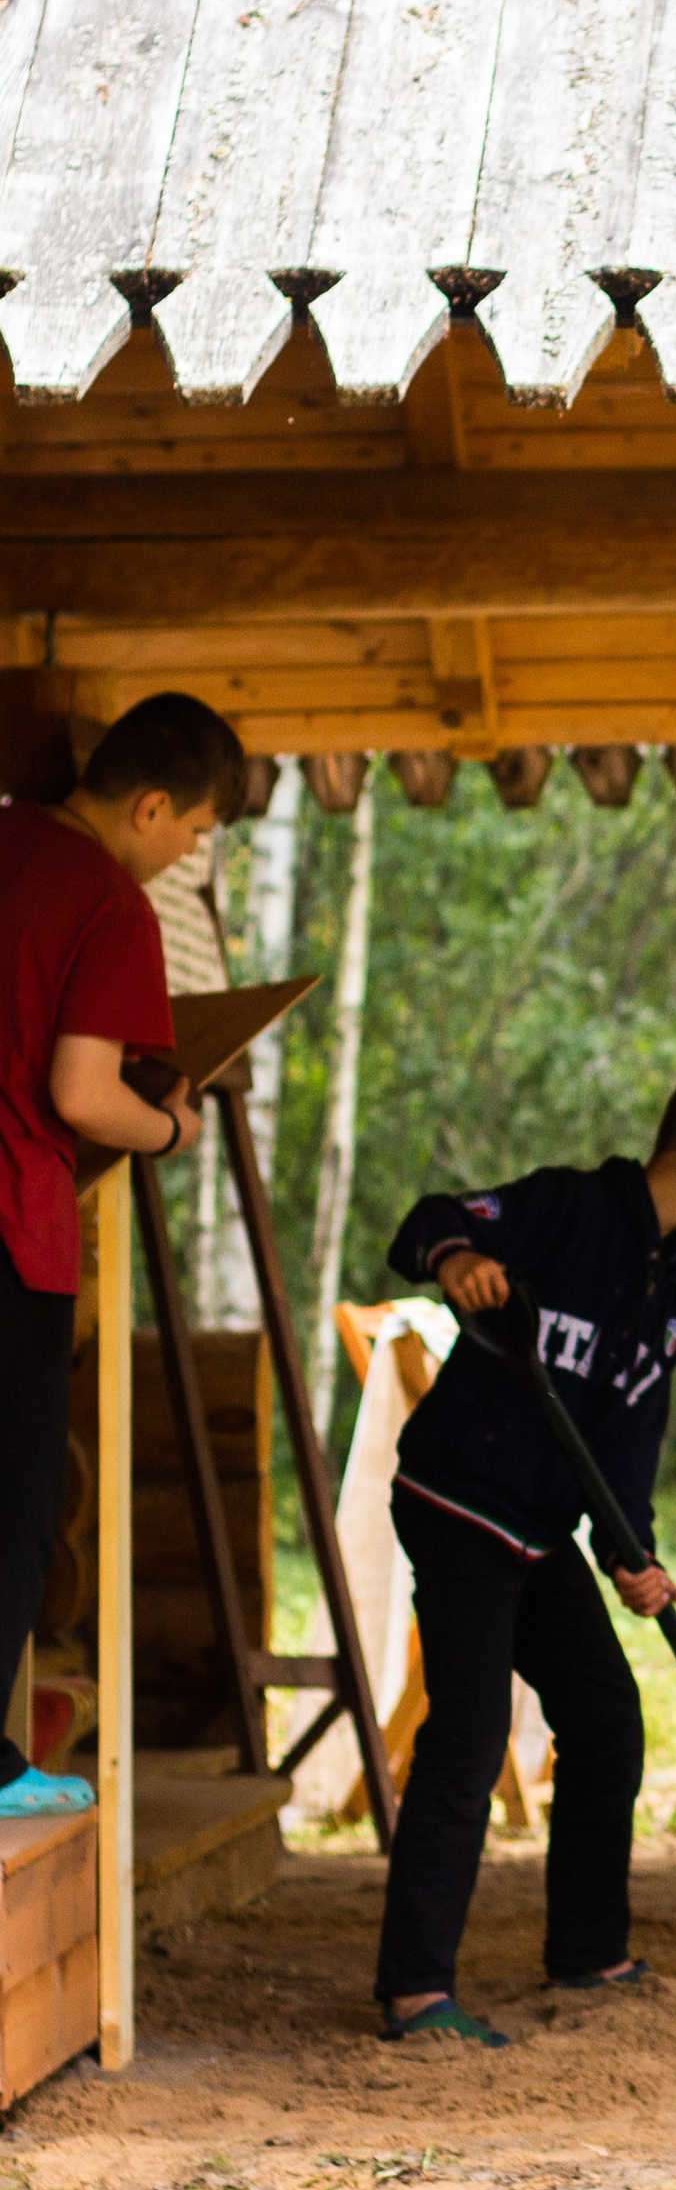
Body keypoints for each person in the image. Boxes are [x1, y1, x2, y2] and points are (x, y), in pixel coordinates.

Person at [371, 1062, 676, 2046]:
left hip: (537, 1527)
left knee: (607, 1715)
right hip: (457, 1502)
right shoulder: (565, 1210)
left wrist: (629, 1550)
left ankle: (587, 1954)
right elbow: (430, 1216)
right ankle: (413, 1989)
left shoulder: (675, 1296)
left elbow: (624, 1440)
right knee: (471, 1734)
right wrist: (453, 1262)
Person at [1, 694, 245, 1818]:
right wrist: (173, 1128)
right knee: (16, 1495)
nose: (187, 852)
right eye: (192, 830)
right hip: (12, 1227)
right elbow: (82, 1093)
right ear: (150, 804)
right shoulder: (106, 897)